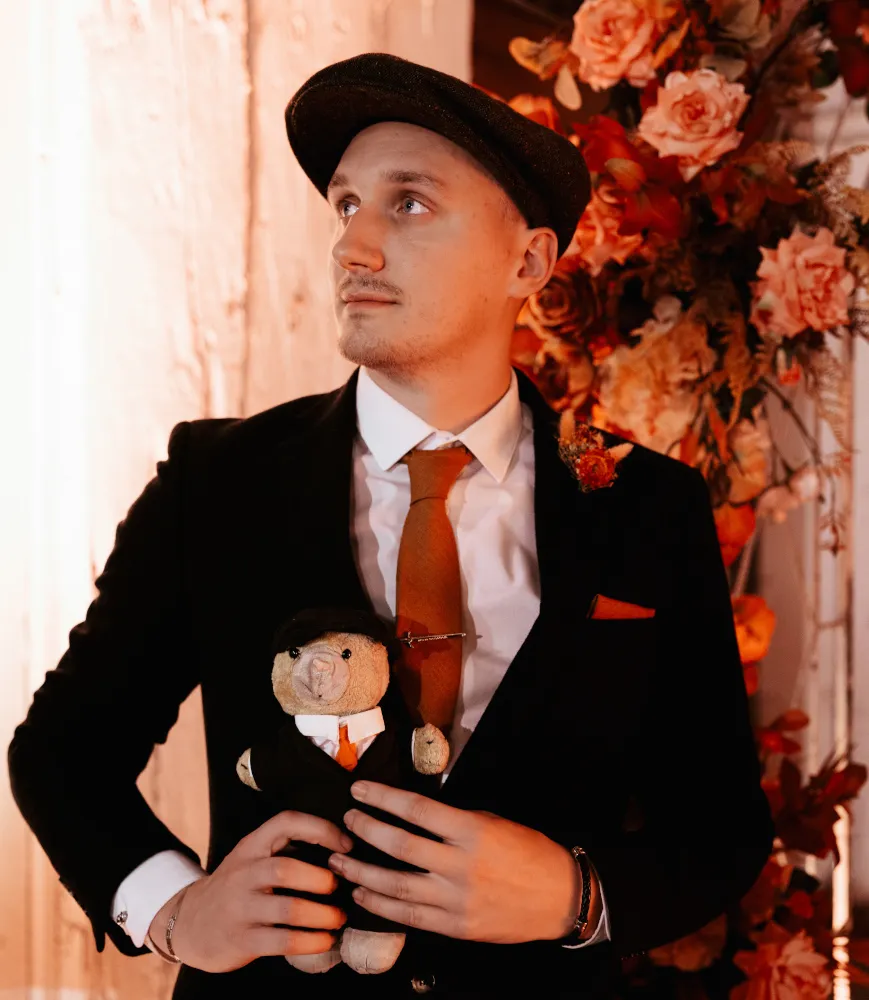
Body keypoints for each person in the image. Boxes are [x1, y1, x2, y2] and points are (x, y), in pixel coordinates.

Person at [8, 53, 774, 998]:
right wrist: (172, 913)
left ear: (527, 260)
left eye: (407, 204)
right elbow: (61, 752)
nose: (353, 247)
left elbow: (718, 829)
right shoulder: (220, 479)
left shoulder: (642, 501)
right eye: (344, 206)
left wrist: (577, 896)